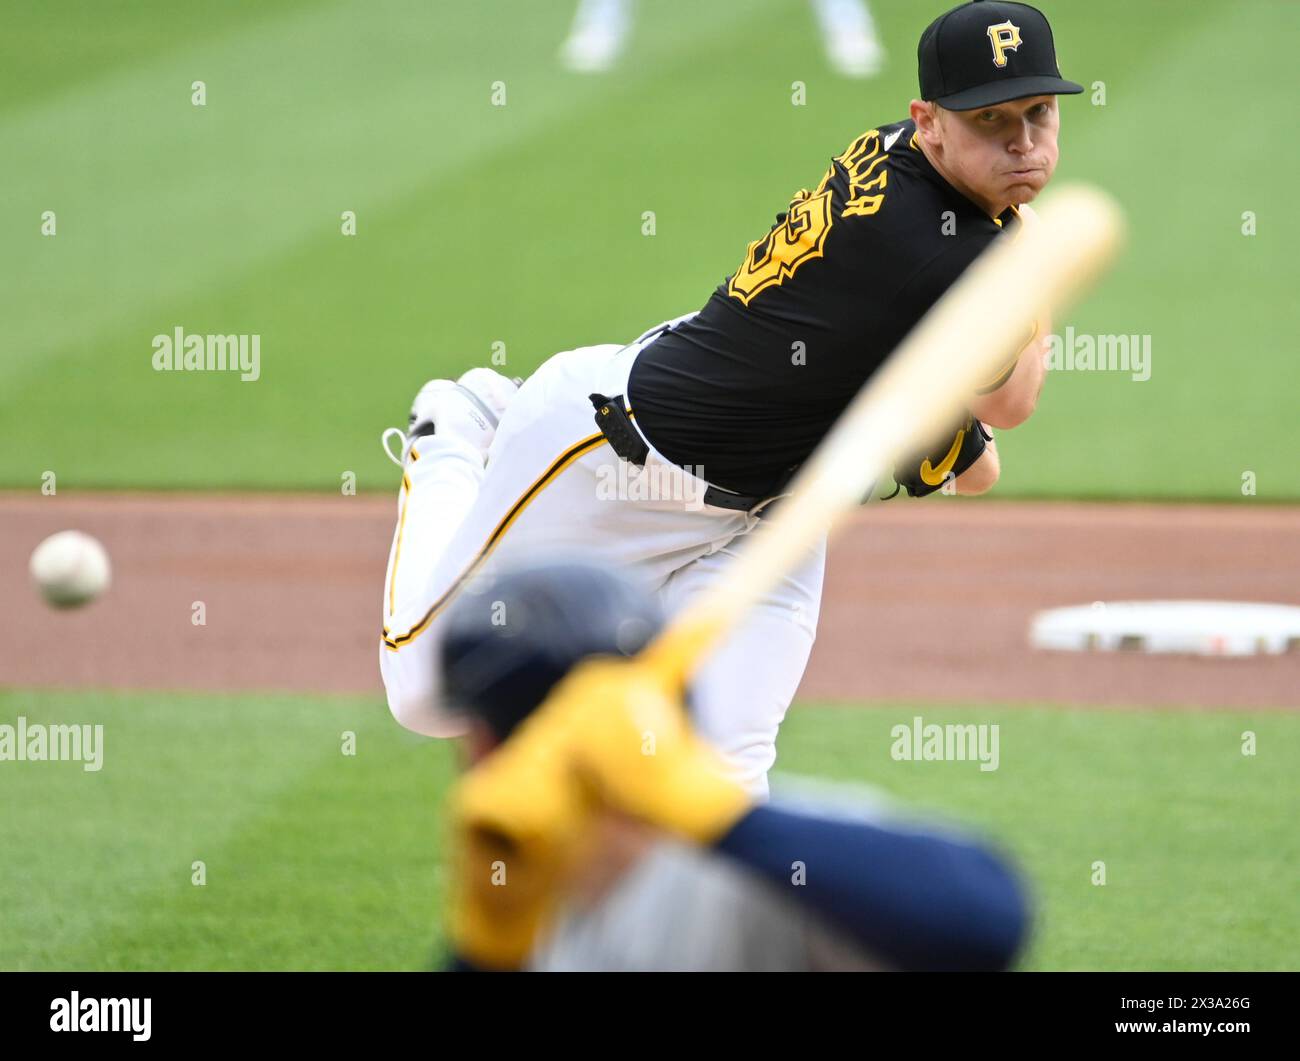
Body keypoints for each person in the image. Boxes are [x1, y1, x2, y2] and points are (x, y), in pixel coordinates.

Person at [379, 1, 1081, 794]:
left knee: (719, 786)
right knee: (429, 691)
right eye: (992, 119)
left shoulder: (909, 168)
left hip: (766, 520)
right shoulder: (935, 252)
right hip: (614, 459)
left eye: (1039, 112)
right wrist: (1037, 255)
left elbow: (969, 445)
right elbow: (1009, 407)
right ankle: (459, 430)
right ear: (929, 122)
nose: (1023, 140)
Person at [440, 559, 1030, 972]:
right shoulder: (521, 897)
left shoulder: (761, 885)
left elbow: (987, 921)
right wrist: (487, 952)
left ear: (484, 744)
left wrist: (720, 817)